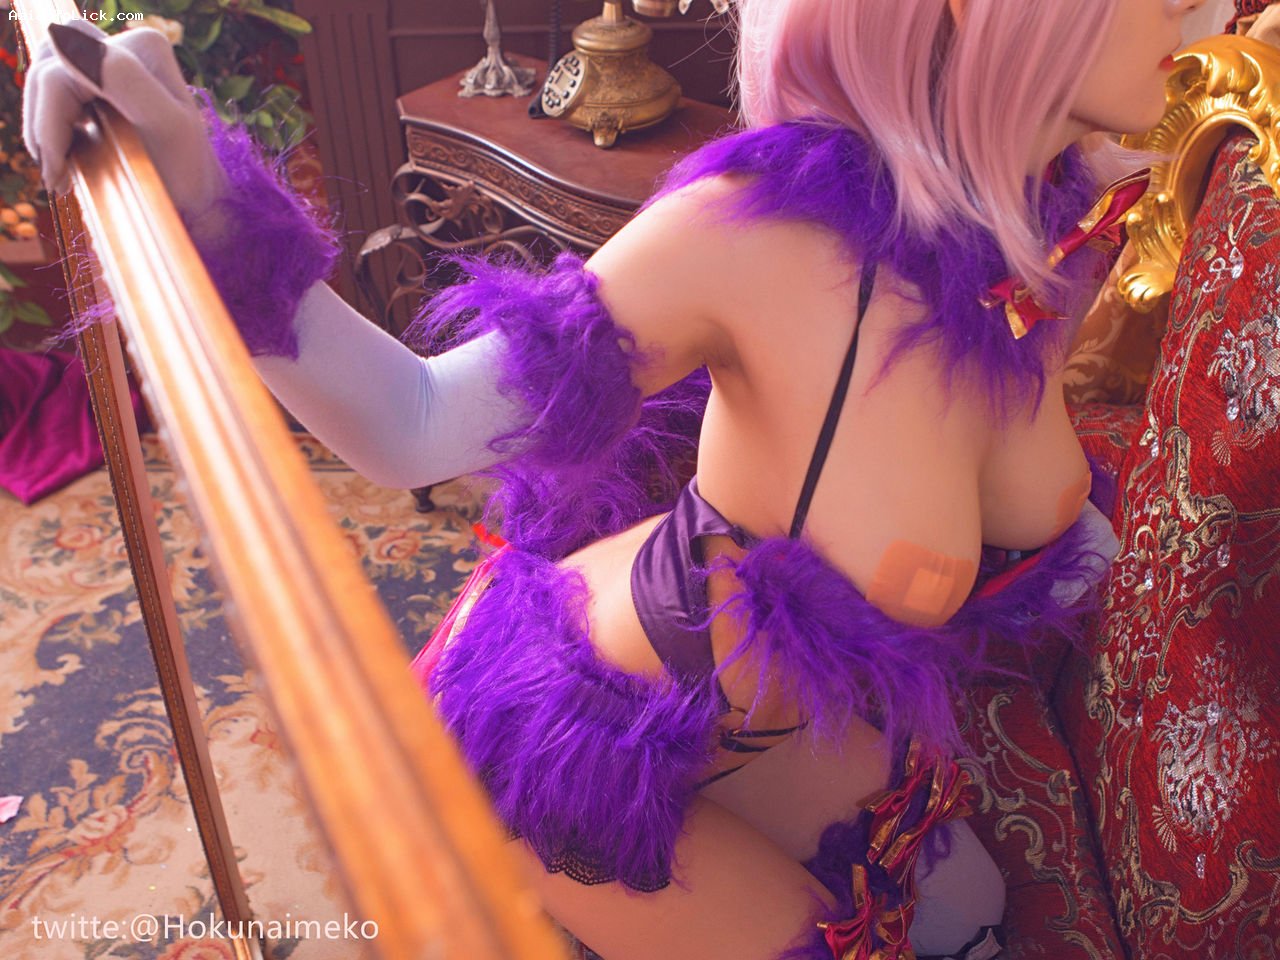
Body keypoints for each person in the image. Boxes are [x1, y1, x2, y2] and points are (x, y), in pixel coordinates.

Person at [23, 1, 1203, 957]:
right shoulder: (763, 230)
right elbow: (413, 423)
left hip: (813, 752)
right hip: (575, 760)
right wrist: (205, 206)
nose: (1204, 9)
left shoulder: (1043, 227)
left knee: (969, 912)